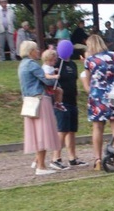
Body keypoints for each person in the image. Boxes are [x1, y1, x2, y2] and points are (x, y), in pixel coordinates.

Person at [18, 41, 62, 175]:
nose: (38, 51)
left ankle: (38, 162)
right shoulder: (32, 64)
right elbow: (46, 80)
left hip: (28, 101)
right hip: (39, 100)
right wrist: (56, 77)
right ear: (30, 51)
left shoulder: (22, 65)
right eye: (36, 49)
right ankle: (41, 166)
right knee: (42, 133)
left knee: (36, 133)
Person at [84, 34, 114, 169]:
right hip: (113, 93)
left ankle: (98, 160)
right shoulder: (113, 56)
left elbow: (88, 79)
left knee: (97, 127)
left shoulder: (90, 60)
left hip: (97, 94)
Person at [52, 53, 87, 168]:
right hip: (61, 101)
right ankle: (56, 157)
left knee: (71, 130)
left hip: (72, 100)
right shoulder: (57, 63)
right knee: (62, 130)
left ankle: (72, 157)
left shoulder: (72, 64)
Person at [40, 49, 67, 115]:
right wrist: (54, 76)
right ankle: (58, 103)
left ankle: (57, 103)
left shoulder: (50, 66)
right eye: (54, 60)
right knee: (59, 91)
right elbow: (46, 75)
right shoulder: (46, 67)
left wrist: (54, 69)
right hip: (49, 86)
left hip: (52, 84)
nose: (56, 62)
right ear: (48, 60)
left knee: (58, 91)